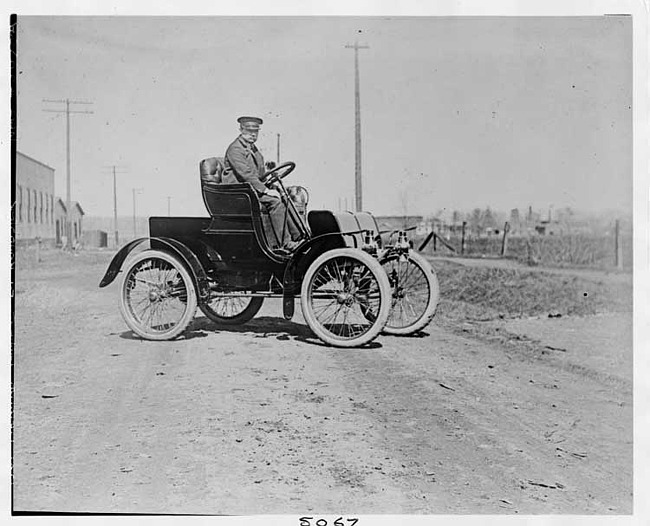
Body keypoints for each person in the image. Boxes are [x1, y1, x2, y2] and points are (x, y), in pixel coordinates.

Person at [222, 116, 302, 251]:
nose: (253, 134)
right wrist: (265, 190)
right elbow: (246, 174)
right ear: (241, 129)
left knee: (285, 197)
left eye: (256, 131)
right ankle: (286, 243)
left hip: (250, 189)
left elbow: (259, 174)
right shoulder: (235, 149)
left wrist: (271, 184)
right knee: (275, 203)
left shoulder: (254, 150)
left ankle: (299, 237)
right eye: (249, 131)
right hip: (238, 193)